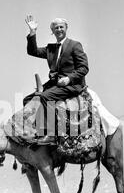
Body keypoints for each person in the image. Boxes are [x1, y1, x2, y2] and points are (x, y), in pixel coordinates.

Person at [23, 15, 89, 144]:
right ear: (52, 31)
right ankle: (34, 130)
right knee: (27, 99)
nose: (59, 29)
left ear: (66, 28)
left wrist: (69, 78)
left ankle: (51, 134)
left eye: (61, 27)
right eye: (55, 28)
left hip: (73, 85)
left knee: (46, 96)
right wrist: (32, 32)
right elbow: (33, 51)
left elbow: (84, 68)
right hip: (56, 84)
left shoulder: (75, 45)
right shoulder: (51, 49)